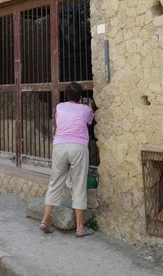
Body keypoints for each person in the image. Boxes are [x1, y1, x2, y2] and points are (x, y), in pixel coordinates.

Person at [40, 82, 95, 237]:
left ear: (66, 95)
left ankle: (45, 220)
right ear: (80, 96)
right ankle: (80, 228)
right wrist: (90, 106)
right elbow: (90, 120)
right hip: (78, 147)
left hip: (60, 146)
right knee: (78, 184)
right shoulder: (85, 109)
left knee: (55, 181)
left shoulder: (60, 107)